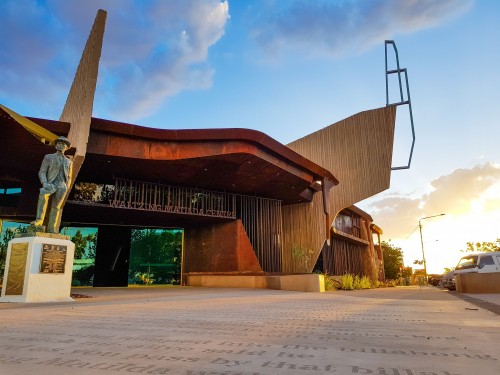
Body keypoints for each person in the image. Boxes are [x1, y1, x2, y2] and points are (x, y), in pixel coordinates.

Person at [31, 136, 73, 233]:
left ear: (66, 147)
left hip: (62, 186)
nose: (60, 145)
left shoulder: (69, 161)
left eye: (63, 144)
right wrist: (45, 183)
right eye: (59, 143)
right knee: (43, 195)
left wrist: (67, 187)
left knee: (56, 207)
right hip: (50, 184)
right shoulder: (48, 157)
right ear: (55, 145)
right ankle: (39, 220)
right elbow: (42, 172)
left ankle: (52, 228)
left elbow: (69, 177)